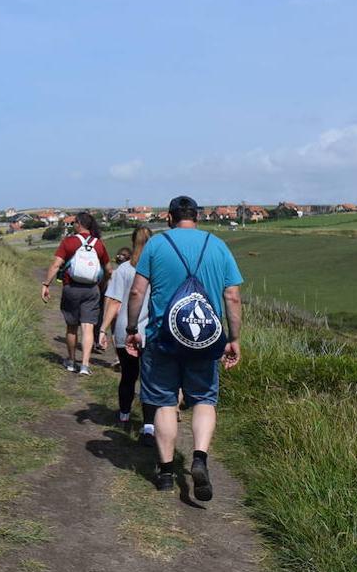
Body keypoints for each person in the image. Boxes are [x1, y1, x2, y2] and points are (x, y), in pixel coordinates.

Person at [125, 196, 243, 500]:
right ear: (197, 218)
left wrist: (131, 328)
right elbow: (232, 296)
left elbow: (138, 290)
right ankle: (199, 458)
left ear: (169, 217)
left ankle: (165, 473)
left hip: (163, 337)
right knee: (204, 399)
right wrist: (234, 338)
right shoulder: (217, 245)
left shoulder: (156, 245)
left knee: (164, 402)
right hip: (205, 339)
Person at [100, 229, 157, 444]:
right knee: (149, 379)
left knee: (128, 375)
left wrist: (103, 328)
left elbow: (114, 303)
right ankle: (148, 426)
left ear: (132, 242)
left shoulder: (124, 270)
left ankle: (124, 414)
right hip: (151, 331)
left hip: (126, 329)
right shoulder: (157, 269)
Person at [42, 212, 111, 375]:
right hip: (92, 290)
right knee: (88, 328)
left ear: (78, 224)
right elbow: (108, 269)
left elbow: (56, 265)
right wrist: (102, 285)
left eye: (74, 222)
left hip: (71, 288)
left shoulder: (68, 242)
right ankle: (85, 365)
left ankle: (72, 361)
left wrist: (46, 284)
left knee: (72, 327)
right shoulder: (99, 244)